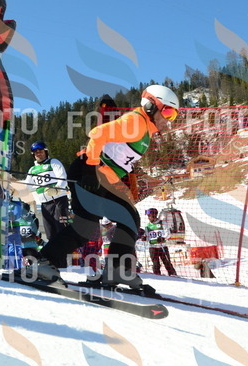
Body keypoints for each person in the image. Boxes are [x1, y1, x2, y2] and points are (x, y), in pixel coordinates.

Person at [30, 84, 180, 296]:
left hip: (104, 177)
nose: (169, 119)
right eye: (167, 111)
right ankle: (43, 262)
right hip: (89, 172)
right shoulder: (136, 122)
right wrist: (90, 168)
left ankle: (116, 270)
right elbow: (97, 134)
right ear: (150, 105)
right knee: (86, 226)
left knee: (129, 218)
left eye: (173, 115)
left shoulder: (145, 129)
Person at [24, 141, 70, 240]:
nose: (38, 154)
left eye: (41, 151)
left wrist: (56, 189)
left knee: (62, 230)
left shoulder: (53, 162)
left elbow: (63, 178)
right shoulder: (32, 170)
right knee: (50, 233)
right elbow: (27, 187)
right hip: (45, 204)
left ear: (46, 152)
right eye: (36, 153)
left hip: (58, 202)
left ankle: (67, 248)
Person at [144, 208, 177, 277]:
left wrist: (163, 238)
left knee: (167, 262)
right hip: (153, 247)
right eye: (148, 216)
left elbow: (168, 234)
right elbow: (148, 237)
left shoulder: (162, 223)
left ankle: (173, 274)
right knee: (155, 264)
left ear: (154, 215)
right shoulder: (147, 226)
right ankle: (157, 276)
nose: (148, 218)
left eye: (149, 216)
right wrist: (145, 238)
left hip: (162, 246)